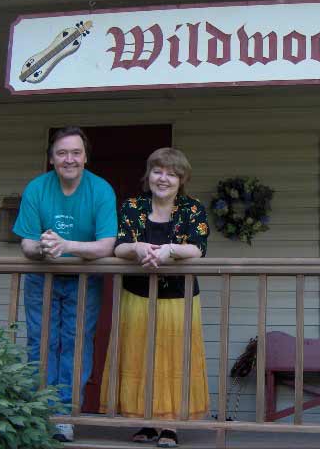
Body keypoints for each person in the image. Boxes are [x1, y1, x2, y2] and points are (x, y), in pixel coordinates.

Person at [100, 147, 209, 448]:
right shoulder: (133, 206)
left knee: (175, 359)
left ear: (181, 179)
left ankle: (171, 425)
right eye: (158, 171)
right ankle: (145, 422)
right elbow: (119, 246)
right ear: (148, 175)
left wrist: (168, 251)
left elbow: (197, 248)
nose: (163, 178)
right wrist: (137, 249)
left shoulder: (192, 208)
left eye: (171, 174)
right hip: (137, 295)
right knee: (140, 355)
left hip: (179, 298)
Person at [13, 126, 117, 443]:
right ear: (51, 158)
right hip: (42, 278)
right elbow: (27, 245)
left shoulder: (100, 190)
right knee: (40, 342)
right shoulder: (37, 188)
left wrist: (66, 245)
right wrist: (45, 247)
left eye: (75, 152)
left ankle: (64, 417)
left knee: (75, 344)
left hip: (84, 281)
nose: (68, 159)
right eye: (61, 153)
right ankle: (38, 412)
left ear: (85, 157)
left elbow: (106, 246)